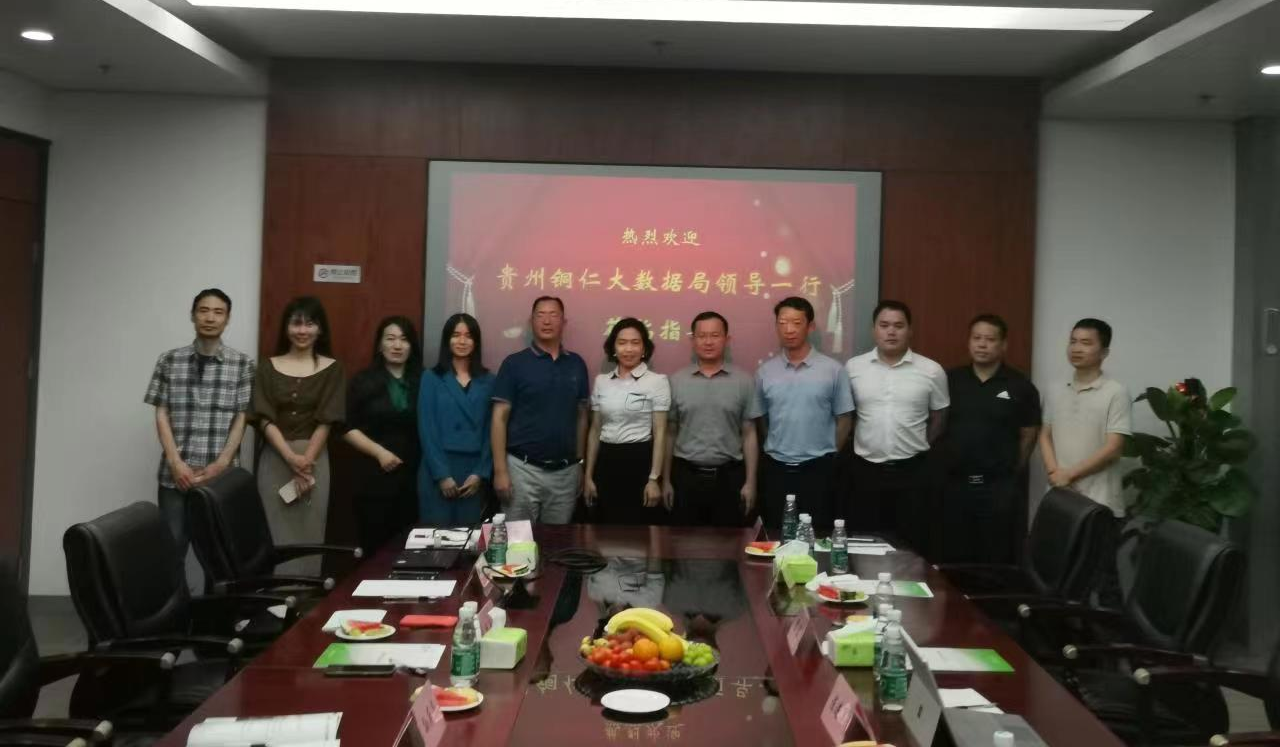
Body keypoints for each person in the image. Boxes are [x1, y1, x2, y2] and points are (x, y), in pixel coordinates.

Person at [144, 288, 254, 592]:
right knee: (171, 550)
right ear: (193, 315)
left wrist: (222, 463)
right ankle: (174, 614)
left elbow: (241, 418)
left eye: (218, 312)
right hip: (174, 477)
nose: (210, 318)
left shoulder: (242, 364)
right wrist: (175, 462)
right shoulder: (169, 360)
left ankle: (213, 617)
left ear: (227, 319)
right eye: (203, 310)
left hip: (220, 477)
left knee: (217, 554)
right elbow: (161, 413)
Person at [1039, 318, 1131, 604]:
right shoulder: (1055, 389)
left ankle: (1106, 632)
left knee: (1103, 580)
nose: (1076, 348)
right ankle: (1063, 630)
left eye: (1086, 343)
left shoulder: (1115, 392)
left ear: (1104, 352)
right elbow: (1045, 434)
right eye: (1073, 341)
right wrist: (1055, 472)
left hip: (1100, 502)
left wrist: (1070, 474)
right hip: (1061, 498)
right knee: (1060, 576)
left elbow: (1114, 448)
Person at [845, 300, 949, 553]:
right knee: (865, 543)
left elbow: (940, 416)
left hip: (913, 471)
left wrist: (921, 443)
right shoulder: (853, 368)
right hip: (865, 471)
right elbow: (848, 416)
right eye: (884, 325)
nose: (891, 332)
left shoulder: (931, 370)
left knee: (912, 546)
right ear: (874, 329)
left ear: (910, 330)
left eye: (898, 326)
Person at [252, 296, 345, 576]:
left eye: (310, 324)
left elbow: (327, 420)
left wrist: (305, 462)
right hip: (275, 458)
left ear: (320, 329)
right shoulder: (267, 366)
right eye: (296, 323)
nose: (302, 330)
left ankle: (305, 597)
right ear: (286, 328)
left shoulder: (333, 368)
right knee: (274, 533)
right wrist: (291, 458)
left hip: (314, 461)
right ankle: (275, 598)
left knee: (310, 534)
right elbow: (263, 417)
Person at [938, 314, 1041, 564]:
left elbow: (1029, 433)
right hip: (954, 485)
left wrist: (1011, 469)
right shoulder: (950, 381)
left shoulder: (1020, 385)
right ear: (969, 342)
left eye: (990, 339)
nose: (982, 345)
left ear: (1003, 345)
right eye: (977, 338)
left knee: (995, 558)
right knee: (952, 557)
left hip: (998, 488)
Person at [756, 296, 855, 532]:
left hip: (819, 471)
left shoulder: (833, 370)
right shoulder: (765, 372)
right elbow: (762, 420)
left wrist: (828, 452)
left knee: (818, 535)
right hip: (777, 470)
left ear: (810, 326)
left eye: (796, 323)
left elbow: (844, 419)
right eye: (782, 323)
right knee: (776, 535)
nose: (789, 329)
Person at [491, 296, 589, 524]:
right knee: (517, 541)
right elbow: (498, 418)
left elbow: (582, 417)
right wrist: (500, 471)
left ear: (563, 322)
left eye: (553, 315)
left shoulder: (576, 364)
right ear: (531, 321)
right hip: (522, 470)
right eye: (540, 315)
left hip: (565, 474)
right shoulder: (514, 364)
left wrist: (580, 464)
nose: (547, 321)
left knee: (557, 542)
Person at [662, 311, 762, 527]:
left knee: (729, 543)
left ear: (727, 339)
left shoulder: (744, 381)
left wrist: (750, 482)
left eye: (715, 335)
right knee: (682, 542)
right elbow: (669, 433)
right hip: (685, 477)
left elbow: (749, 434)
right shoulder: (676, 381)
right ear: (693, 340)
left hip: (729, 478)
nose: (708, 342)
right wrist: (666, 480)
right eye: (702, 336)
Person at [342, 316, 422, 554]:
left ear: (411, 346)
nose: (397, 345)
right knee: (375, 550)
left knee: (411, 549)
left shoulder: (424, 380)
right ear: (379, 344)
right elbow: (345, 426)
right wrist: (379, 453)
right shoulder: (362, 381)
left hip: (414, 477)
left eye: (404, 339)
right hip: (373, 477)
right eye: (390, 339)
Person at [584, 318, 671, 525]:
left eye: (635, 342)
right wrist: (588, 476)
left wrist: (654, 478)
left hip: (639, 461)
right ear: (613, 347)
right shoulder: (602, 381)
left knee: (637, 531)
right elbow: (595, 430)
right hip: (606, 462)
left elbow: (660, 433)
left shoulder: (657, 381)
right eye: (622, 343)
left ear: (644, 348)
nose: (628, 349)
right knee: (604, 530)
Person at [418, 313, 495, 527]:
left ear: (476, 341)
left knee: (469, 538)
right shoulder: (431, 377)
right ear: (447, 340)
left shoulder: (489, 380)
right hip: (437, 469)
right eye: (456, 335)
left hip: (473, 471)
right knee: (437, 538)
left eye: (468, 336)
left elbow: (492, 431)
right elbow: (427, 428)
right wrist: (442, 475)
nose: (462, 341)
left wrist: (480, 473)